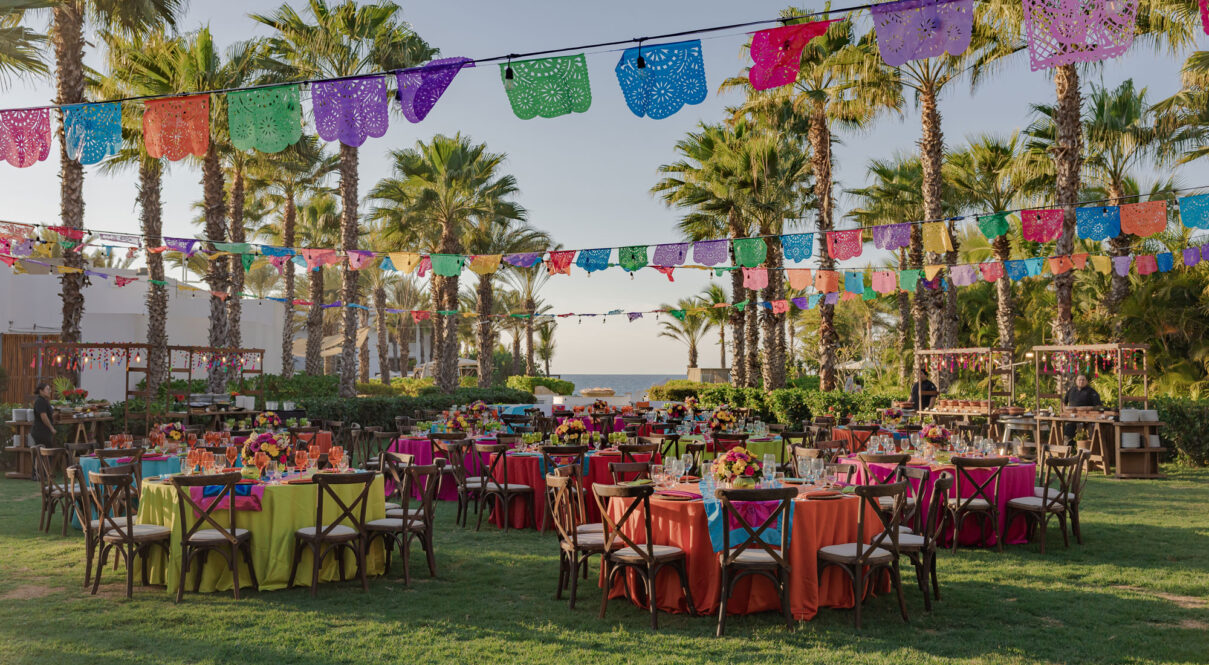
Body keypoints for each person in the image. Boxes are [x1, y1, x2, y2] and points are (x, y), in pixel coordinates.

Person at [1063, 374, 1102, 440]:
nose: (1081, 381)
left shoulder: (1092, 392)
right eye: (1079, 380)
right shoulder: (1071, 390)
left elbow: (1098, 406)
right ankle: (1069, 447)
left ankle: (1087, 447)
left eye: (1083, 380)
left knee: (1090, 433)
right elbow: (1064, 402)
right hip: (1072, 417)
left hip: (1087, 418)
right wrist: (1065, 412)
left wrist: (1087, 410)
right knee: (1068, 433)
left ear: (1086, 381)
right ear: (1076, 381)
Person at [31, 382, 56, 448]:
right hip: (41, 431)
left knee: (44, 453)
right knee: (46, 452)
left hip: (44, 431)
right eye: (47, 389)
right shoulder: (40, 401)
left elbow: (49, 414)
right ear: (41, 391)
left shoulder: (45, 400)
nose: (49, 391)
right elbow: (44, 417)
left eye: (49, 389)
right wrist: (51, 428)